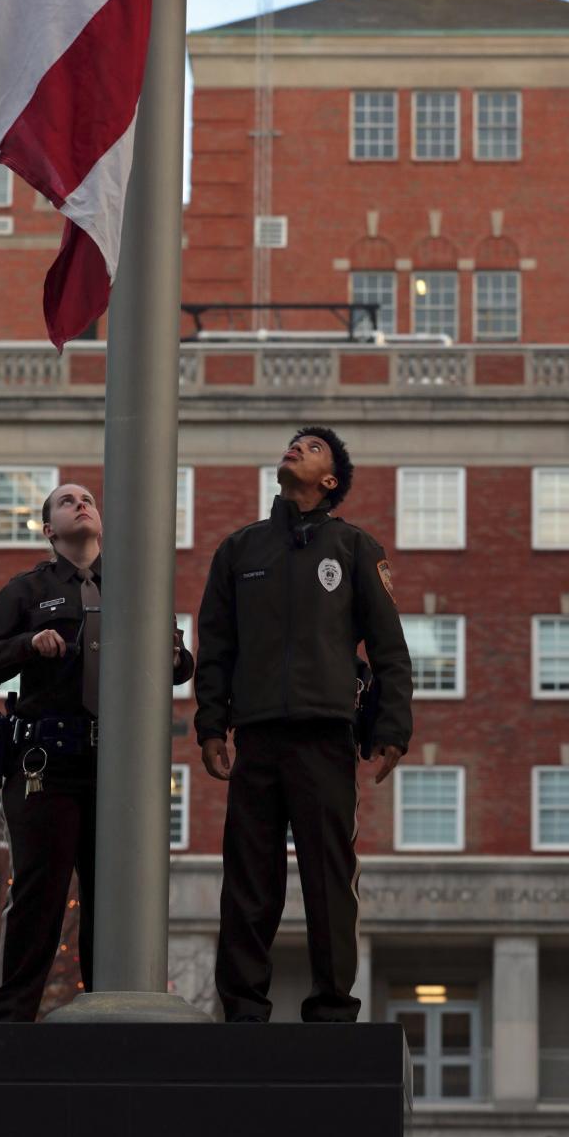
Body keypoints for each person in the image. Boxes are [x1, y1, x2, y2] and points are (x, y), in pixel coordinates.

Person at [195, 426, 413, 1023]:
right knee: (246, 880)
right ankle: (242, 1008)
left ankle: (333, 1008)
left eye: (312, 447)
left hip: (325, 737)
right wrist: (211, 725)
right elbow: (215, 647)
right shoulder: (239, 551)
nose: (296, 447)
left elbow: (390, 649)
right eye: (294, 441)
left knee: (329, 878)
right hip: (258, 737)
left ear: (330, 480)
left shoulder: (355, 548)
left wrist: (393, 730)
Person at [0, 481, 193, 1022]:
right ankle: (13, 1020)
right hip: (48, 765)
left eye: (88, 498)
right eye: (66, 501)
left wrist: (168, 648)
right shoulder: (28, 590)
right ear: (49, 530)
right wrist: (28, 643)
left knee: (112, 901)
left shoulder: (136, 587)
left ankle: (108, 1013)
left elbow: (180, 667)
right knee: (40, 896)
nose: (81, 503)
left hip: (119, 769)